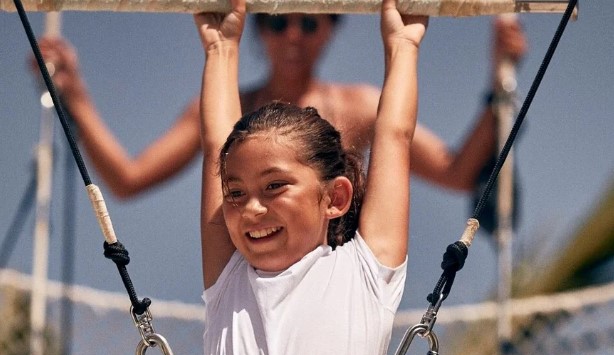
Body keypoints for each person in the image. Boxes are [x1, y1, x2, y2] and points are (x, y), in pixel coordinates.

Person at [33, 14, 526, 199]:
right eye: (276, 21)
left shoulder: (359, 107)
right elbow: (127, 179)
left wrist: (498, 81)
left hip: (341, 281)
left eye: (309, 23)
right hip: (250, 284)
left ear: (332, 27)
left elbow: (458, 172)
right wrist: (75, 97)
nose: (293, 35)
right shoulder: (226, 107)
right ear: (257, 27)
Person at [194, 0, 426, 355]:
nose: (251, 208)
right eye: (235, 192)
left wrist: (403, 46)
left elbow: (394, 136)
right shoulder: (228, 278)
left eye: (274, 186)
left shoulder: (365, 275)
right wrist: (221, 49)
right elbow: (216, 143)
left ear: (335, 198)